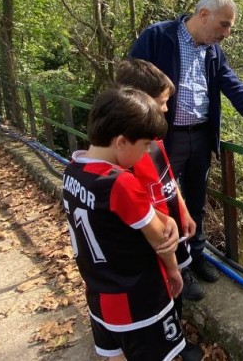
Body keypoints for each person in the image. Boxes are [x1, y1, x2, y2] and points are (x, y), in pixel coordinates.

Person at [130, 0, 243, 300]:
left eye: (229, 28)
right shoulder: (158, 36)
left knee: (195, 200)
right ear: (203, 15)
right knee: (167, 202)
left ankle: (197, 256)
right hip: (165, 138)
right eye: (224, 25)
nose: (226, 34)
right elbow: (131, 82)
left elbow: (234, 87)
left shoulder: (212, 52)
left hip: (200, 136)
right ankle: (177, 266)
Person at [61, 87, 185, 361]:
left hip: (99, 298)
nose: (145, 154)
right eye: (143, 146)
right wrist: (174, 272)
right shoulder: (120, 182)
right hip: (139, 302)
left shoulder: (73, 171)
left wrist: (163, 217)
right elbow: (160, 241)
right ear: (121, 142)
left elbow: (112, 215)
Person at [113, 59, 204, 361]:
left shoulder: (152, 138)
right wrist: (169, 262)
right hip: (156, 239)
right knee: (164, 294)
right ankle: (172, 343)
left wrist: (185, 211)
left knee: (174, 295)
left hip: (172, 229)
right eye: (162, 102)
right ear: (138, 101)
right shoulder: (127, 152)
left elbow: (168, 179)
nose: (166, 109)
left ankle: (176, 337)